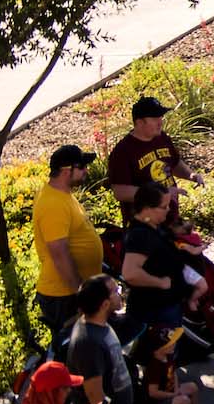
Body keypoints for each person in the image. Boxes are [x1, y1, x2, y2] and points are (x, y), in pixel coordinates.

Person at [31, 146, 102, 340]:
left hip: (71, 293)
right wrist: (80, 293)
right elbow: (59, 254)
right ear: (65, 171)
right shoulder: (53, 204)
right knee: (74, 356)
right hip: (64, 296)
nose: (86, 170)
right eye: (82, 167)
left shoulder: (62, 195)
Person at [106, 95, 199, 223]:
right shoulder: (122, 152)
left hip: (170, 219)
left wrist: (191, 175)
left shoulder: (162, 138)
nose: (160, 121)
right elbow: (120, 191)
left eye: (161, 117)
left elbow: (175, 163)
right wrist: (159, 195)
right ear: (139, 122)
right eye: (155, 118)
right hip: (145, 227)